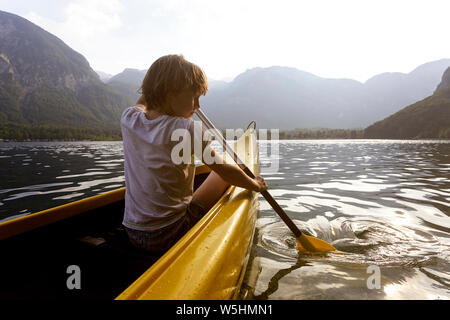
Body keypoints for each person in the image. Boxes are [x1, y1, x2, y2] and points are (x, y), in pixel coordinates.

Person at [120, 54, 268, 255]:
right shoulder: (186, 128)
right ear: (170, 93)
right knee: (221, 171)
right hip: (169, 233)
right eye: (194, 97)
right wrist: (254, 184)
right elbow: (224, 171)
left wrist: (157, 85)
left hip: (133, 232)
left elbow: (143, 102)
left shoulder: (129, 119)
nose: (198, 105)